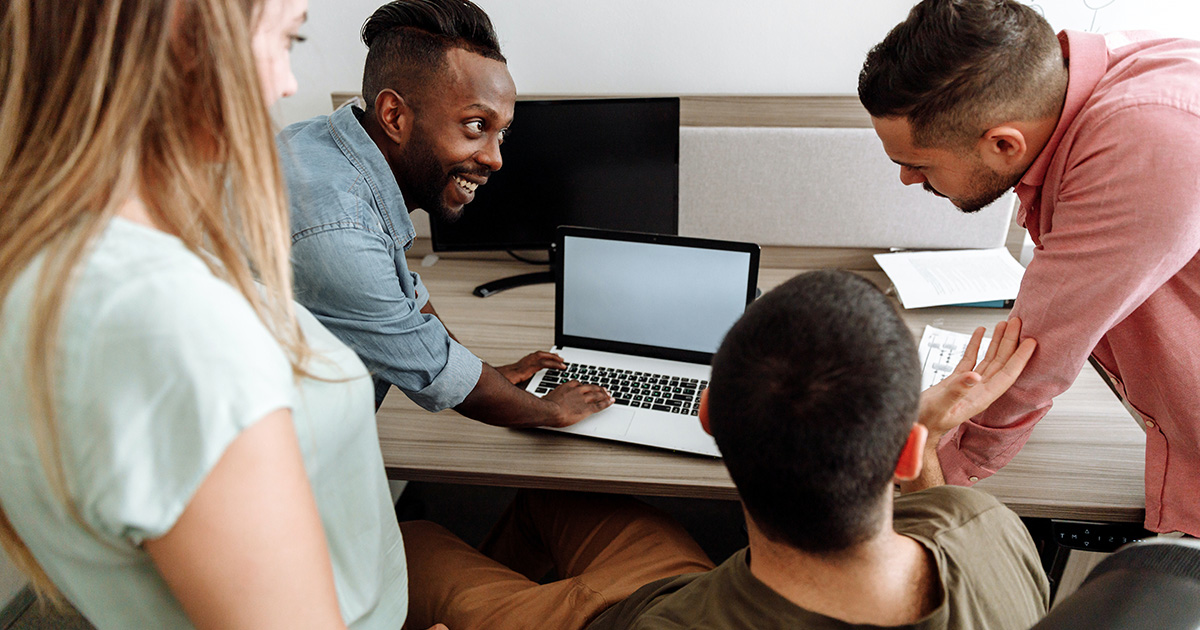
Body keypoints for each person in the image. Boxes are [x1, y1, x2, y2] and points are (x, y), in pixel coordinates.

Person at [0, 1, 434, 628]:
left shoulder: (53, 263)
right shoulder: (170, 326)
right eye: (289, 39)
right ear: (183, 27)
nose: (287, 84)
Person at [399, 270, 1048, 630]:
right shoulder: (990, 531)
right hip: (703, 589)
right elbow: (940, 509)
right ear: (905, 456)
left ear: (708, 416)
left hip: (636, 614)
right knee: (557, 495)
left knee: (417, 541)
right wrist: (924, 436)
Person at [857, 0, 1200, 536]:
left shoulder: (1146, 142)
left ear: (1002, 143)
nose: (906, 180)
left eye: (917, 163)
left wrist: (925, 480)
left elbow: (1035, 356)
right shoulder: (1092, 83)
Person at [276, 0, 611, 427]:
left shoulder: (322, 144)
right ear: (393, 115)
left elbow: (406, 304)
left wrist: (486, 374)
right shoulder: (342, 229)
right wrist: (553, 410)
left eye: (501, 133)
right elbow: (439, 377)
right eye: (476, 125)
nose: (495, 159)